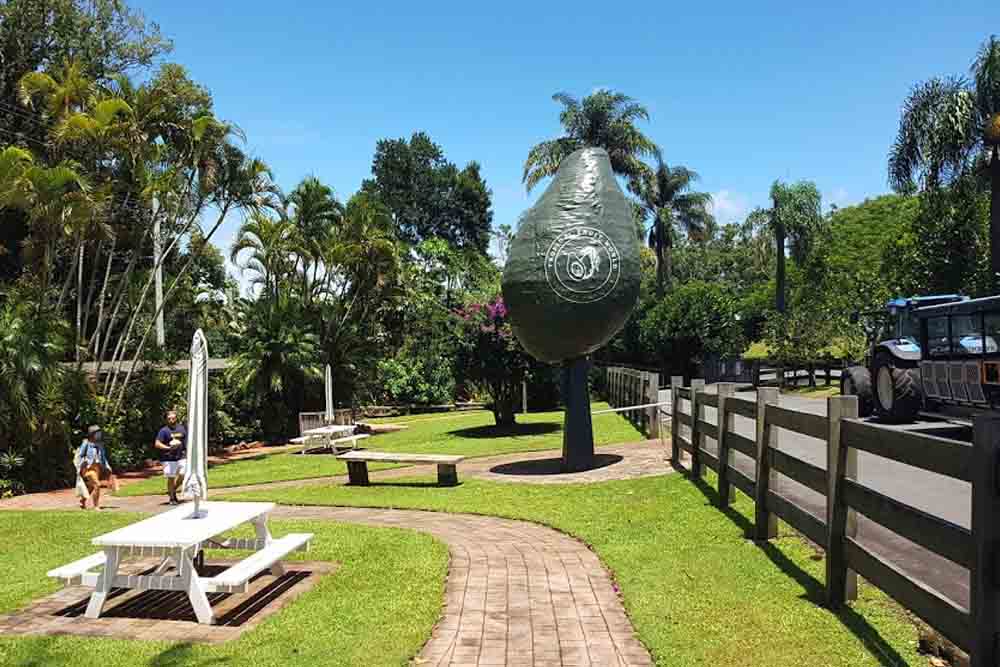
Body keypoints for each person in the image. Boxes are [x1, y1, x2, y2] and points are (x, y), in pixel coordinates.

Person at [76, 425, 114, 510]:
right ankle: (96, 506)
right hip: (88, 468)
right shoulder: (86, 443)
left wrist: (108, 467)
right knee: (97, 484)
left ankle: (82, 501)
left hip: (97, 468)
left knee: (92, 487)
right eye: (97, 433)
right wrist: (83, 463)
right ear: (92, 434)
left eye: (99, 433)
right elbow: (80, 455)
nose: (99, 434)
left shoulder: (100, 444)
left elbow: (103, 458)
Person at [154, 410, 188, 505]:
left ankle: (172, 490)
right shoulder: (164, 431)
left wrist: (187, 451)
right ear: (166, 420)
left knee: (183, 474)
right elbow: (157, 443)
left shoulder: (182, 429)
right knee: (171, 478)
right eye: (169, 418)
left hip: (181, 456)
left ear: (176, 418)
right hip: (168, 458)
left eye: (173, 418)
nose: (171, 420)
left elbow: (186, 441)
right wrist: (168, 448)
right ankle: (172, 498)